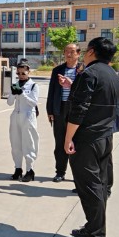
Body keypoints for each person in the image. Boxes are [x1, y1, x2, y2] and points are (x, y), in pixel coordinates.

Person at [64, 37, 119, 237]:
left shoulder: (89, 74)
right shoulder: (113, 75)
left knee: (90, 188)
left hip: (87, 139)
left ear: (91, 51)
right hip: (104, 137)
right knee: (100, 185)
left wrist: (68, 138)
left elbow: (79, 109)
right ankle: (92, 228)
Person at [47, 43, 83, 182]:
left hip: (76, 108)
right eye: (66, 51)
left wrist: (71, 83)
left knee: (77, 142)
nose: (69, 54)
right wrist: (50, 110)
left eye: (72, 51)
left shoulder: (84, 70)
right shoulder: (57, 70)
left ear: (78, 53)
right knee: (60, 141)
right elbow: (51, 91)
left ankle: (78, 175)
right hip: (60, 108)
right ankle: (60, 172)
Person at [7, 63, 40, 182]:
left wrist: (22, 94)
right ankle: (18, 168)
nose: (20, 75)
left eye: (23, 73)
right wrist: (13, 93)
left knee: (28, 143)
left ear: (28, 72)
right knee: (15, 143)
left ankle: (30, 170)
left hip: (28, 115)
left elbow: (33, 102)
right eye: (18, 73)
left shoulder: (33, 85)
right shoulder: (15, 84)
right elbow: (9, 103)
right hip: (16, 115)